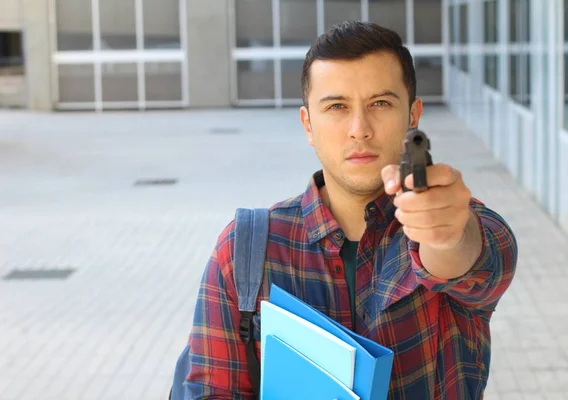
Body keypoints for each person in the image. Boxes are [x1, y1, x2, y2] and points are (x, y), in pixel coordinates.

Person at [181, 20, 518, 399]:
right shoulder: (244, 249)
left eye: (380, 103)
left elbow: (464, 258)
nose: (360, 129)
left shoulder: (464, 218)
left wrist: (446, 234)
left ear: (413, 116)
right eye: (337, 106)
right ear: (308, 124)